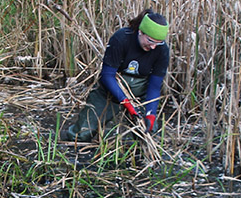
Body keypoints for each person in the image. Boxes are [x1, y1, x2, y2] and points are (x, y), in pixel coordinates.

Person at [60, 9, 169, 142]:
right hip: (110, 91)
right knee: (81, 134)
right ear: (140, 32)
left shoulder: (162, 50)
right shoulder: (122, 38)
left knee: (147, 136)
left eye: (158, 43)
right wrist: (126, 103)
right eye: (150, 40)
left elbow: (154, 86)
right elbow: (107, 75)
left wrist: (150, 114)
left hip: (140, 95)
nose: (153, 47)